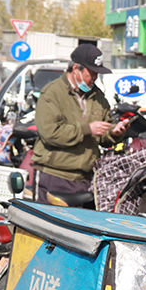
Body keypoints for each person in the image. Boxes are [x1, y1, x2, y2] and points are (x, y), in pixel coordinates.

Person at [32, 44, 130, 203]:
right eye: (91, 73)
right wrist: (87, 129)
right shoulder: (52, 93)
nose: (94, 78)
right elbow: (50, 133)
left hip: (85, 179)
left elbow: (103, 134)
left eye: (97, 74)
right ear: (76, 69)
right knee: (45, 225)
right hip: (54, 175)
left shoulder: (99, 97)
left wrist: (114, 132)